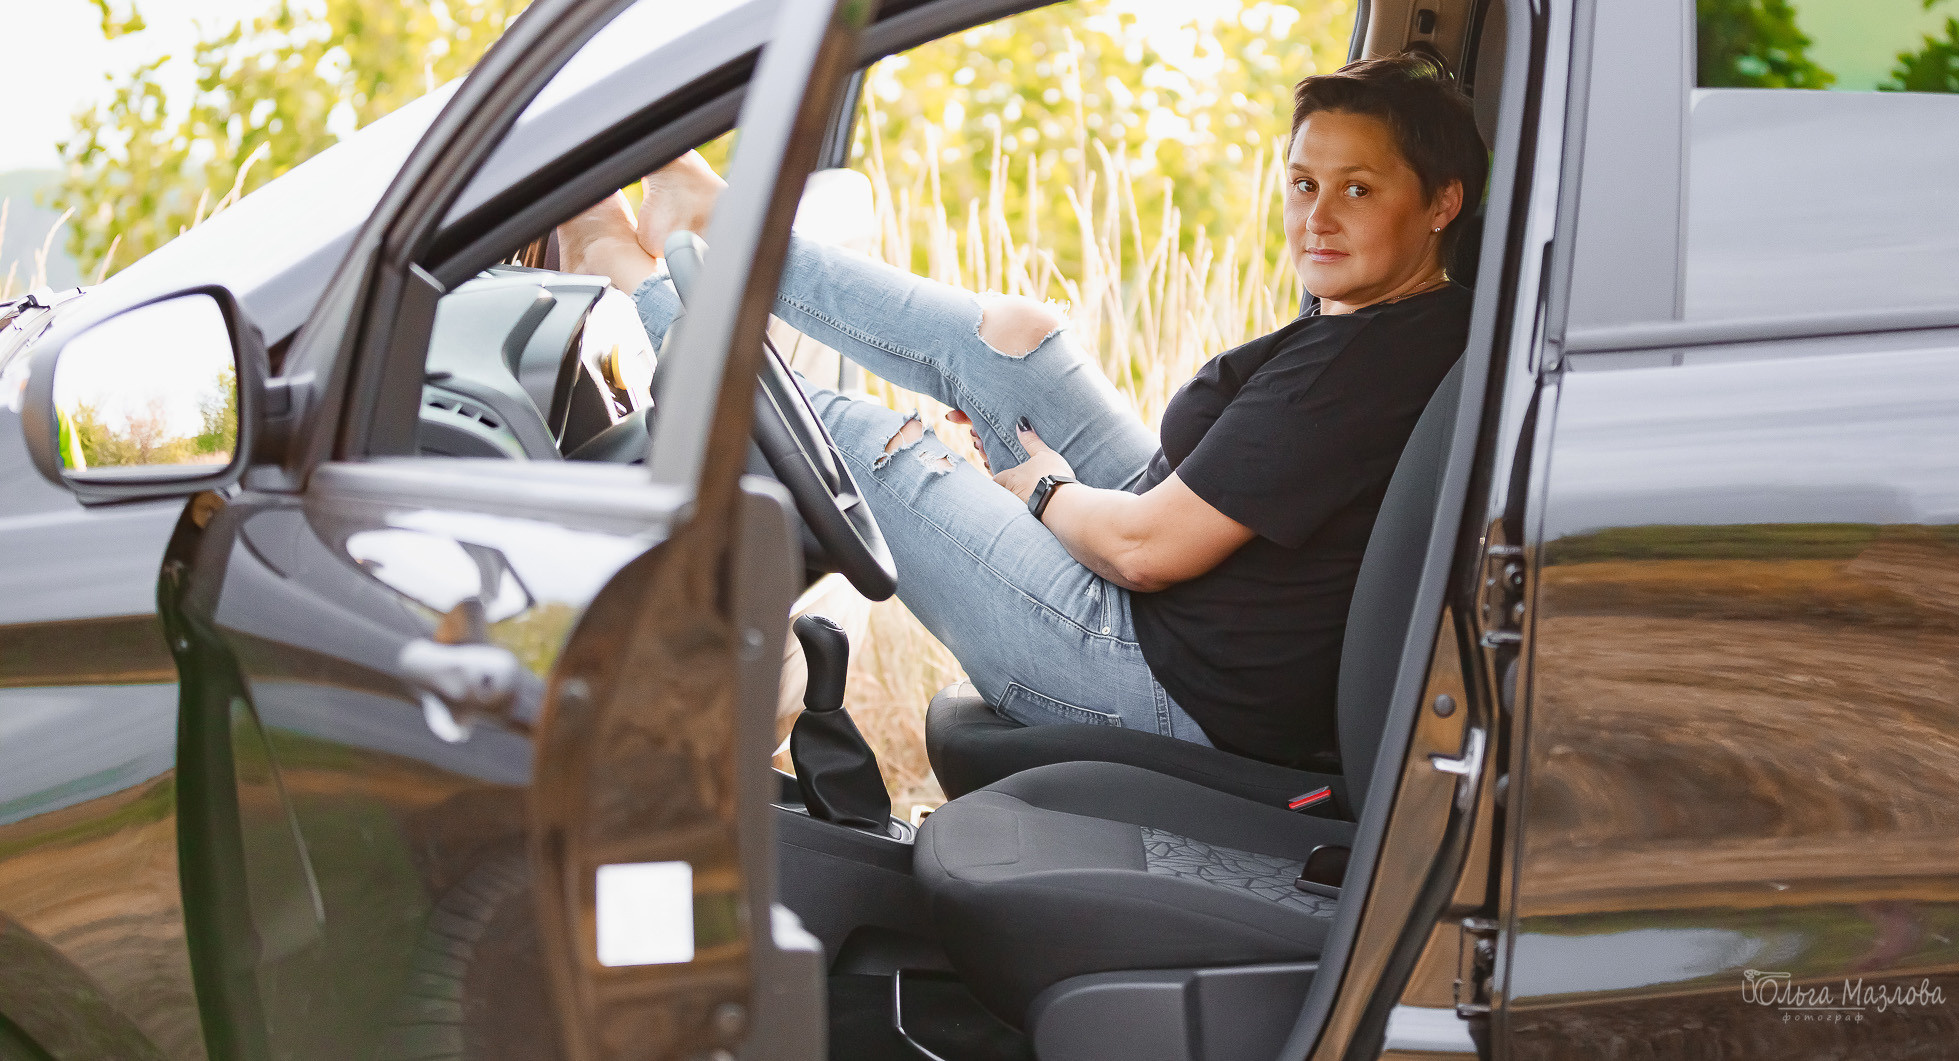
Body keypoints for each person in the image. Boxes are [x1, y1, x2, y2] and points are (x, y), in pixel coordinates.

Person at [558, 55, 1481, 770]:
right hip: (1200, 612)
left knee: (872, 446)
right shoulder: (1408, 320)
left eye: (1358, 189)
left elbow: (1142, 552)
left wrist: (1043, 492)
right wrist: (1058, 493)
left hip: (1155, 675)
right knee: (1015, 339)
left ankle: (631, 279)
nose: (1318, 216)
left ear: (1443, 202)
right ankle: (721, 223)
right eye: (1304, 183)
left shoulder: (1363, 364)